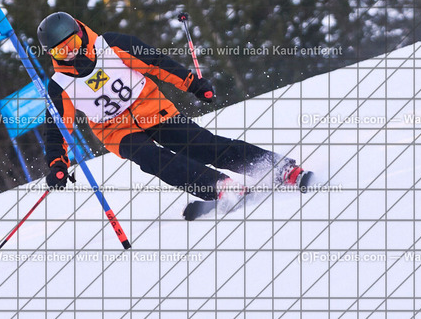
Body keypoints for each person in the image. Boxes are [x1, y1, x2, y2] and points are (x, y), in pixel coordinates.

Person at [38, 12, 312, 211]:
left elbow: (157, 63)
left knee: (200, 145)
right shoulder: (60, 85)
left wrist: (192, 83)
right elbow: (57, 130)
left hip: (151, 107)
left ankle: (279, 168)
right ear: (52, 54)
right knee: (152, 158)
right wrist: (57, 164)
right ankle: (218, 186)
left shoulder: (112, 45)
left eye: (72, 45)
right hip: (116, 131)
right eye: (61, 52)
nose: (70, 54)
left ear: (81, 34)